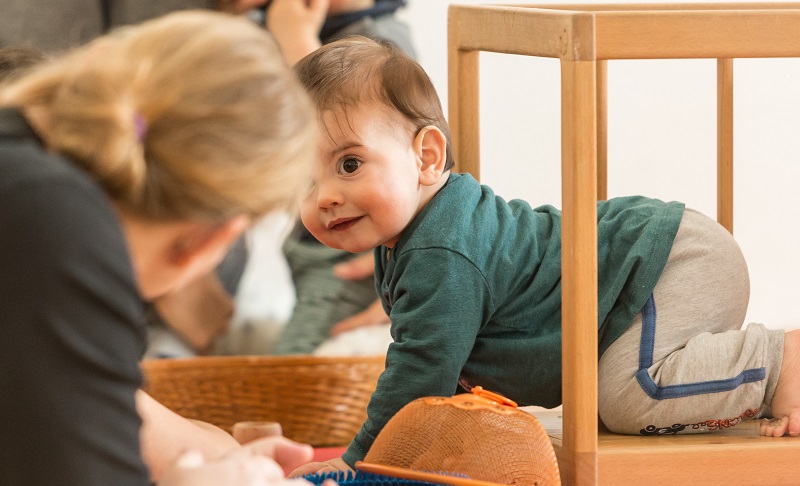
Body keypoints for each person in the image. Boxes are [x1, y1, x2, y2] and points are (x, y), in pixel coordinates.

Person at [287, 36, 800, 474]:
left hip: (667, 263)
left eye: (349, 164)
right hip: (643, 273)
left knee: (628, 397)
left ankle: (781, 359)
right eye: (305, 180)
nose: (325, 195)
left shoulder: (442, 250)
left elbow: (422, 372)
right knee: (615, 397)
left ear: (426, 157)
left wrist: (356, 462)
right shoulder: (411, 234)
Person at [0, 10, 325, 485]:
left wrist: (213, 452)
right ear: (213, 240)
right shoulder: (58, 229)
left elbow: (84, 401)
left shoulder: (24, 171)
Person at [265, 0, 413, 355]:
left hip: (351, 257)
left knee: (292, 369)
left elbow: (332, 128)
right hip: (312, 243)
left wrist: (295, 39)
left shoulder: (379, 46)